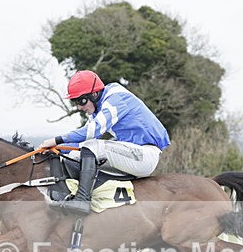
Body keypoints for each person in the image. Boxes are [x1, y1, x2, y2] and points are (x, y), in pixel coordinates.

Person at [40, 70, 170, 214]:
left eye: (81, 101)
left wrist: (55, 140)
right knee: (73, 155)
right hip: (131, 153)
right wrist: (59, 148)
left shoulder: (116, 99)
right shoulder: (99, 106)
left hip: (145, 156)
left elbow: (91, 132)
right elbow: (83, 142)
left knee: (92, 146)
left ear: (94, 94)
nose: (79, 107)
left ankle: (82, 200)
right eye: (75, 102)